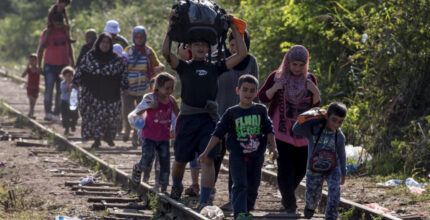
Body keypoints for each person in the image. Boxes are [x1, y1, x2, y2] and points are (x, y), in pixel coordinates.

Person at [162, 9, 248, 208]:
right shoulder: (184, 66)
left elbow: (242, 54)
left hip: (208, 121)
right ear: (190, 47)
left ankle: (204, 200)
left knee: (208, 159)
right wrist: (170, 28)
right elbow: (166, 53)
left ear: (209, 48)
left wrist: (234, 27)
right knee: (181, 160)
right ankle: (176, 187)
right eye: (196, 44)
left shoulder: (216, 67)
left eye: (204, 44)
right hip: (188, 119)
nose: (200, 47)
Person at [198, 74, 278, 220]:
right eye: (245, 90)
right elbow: (218, 133)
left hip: (257, 156)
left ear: (256, 92)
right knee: (240, 184)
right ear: (238, 90)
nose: (248, 93)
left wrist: (273, 147)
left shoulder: (260, 110)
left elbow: (269, 130)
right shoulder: (232, 112)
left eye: (251, 90)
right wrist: (205, 152)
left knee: (253, 186)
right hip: (237, 155)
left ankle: (246, 210)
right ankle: (239, 213)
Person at [257, 45, 321, 214]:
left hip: (303, 133)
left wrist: (316, 92)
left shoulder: (310, 79)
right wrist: (275, 88)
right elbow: (262, 97)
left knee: (300, 168)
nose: (298, 69)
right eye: (294, 64)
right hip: (281, 131)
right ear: (287, 63)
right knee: (285, 168)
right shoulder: (277, 77)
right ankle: (290, 205)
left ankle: (286, 196)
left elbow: (316, 105)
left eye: (301, 65)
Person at [213, 30, 259, 196]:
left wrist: (258, 113)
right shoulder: (221, 59)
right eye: (232, 44)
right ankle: (209, 188)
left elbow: (256, 89)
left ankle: (234, 194)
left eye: (239, 44)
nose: (234, 48)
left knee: (237, 156)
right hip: (220, 113)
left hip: (242, 117)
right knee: (217, 153)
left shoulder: (251, 61)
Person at [73, 32, 128, 148]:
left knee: (111, 117)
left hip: (111, 93)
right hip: (92, 92)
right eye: (102, 42)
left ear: (111, 45)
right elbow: (80, 69)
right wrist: (76, 81)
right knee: (94, 116)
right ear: (98, 43)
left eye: (108, 42)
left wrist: (124, 86)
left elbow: (124, 73)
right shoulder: (89, 56)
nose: (105, 45)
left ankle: (108, 137)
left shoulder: (116, 59)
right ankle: (96, 139)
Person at [292, 102, 347, 219]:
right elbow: (296, 128)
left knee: (334, 191)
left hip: (333, 168)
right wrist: (311, 114)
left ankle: (331, 216)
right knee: (313, 195)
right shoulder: (314, 130)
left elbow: (342, 155)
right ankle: (310, 207)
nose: (337, 124)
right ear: (327, 116)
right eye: (334, 120)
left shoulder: (340, 136)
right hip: (314, 168)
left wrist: (343, 172)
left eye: (340, 122)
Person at [131, 72, 179, 193]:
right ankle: (138, 168)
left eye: (172, 88)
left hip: (164, 137)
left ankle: (162, 188)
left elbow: (175, 115)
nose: (170, 91)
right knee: (147, 159)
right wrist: (150, 107)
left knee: (164, 162)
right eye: (167, 88)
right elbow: (137, 113)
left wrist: (174, 129)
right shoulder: (150, 98)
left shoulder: (171, 100)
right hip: (149, 136)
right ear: (158, 87)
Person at [123, 26, 165, 147]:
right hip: (129, 86)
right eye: (137, 37)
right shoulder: (128, 50)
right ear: (133, 37)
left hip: (144, 86)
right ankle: (127, 129)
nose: (139, 39)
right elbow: (121, 62)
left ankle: (136, 136)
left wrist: (160, 67)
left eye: (141, 37)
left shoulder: (148, 51)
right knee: (127, 110)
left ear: (145, 37)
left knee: (141, 113)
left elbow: (158, 64)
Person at [37, 12, 75, 121]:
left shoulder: (66, 32)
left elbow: (70, 48)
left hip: (63, 65)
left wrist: (73, 62)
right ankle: (48, 112)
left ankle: (57, 113)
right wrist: (39, 65)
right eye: (56, 24)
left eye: (60, 23)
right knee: (48, 89)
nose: (58, 26)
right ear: (53, 22)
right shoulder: (47, 33)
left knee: (61, 91)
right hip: (49, 65)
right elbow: (40, 50)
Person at [21, 53, 42, 119]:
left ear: (37, 61)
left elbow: (42, 73)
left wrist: (39, 69)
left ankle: (31, 112)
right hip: (29, 87)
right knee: (31, 100)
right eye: (31, 60)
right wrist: (27, 68)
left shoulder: (38, 69)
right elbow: (22, 75)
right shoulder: (29, 69)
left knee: (34, 101)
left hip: (36, 88)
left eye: (33, 60)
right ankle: (31, 112)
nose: (32, 62)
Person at [60, 66, 79, 135]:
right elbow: (63, 90)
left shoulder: (75, 84)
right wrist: (68, 87)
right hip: (64, 102)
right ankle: (66, 128)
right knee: (65, 116)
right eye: (67, 76)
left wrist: (73, 88)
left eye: (70, 76)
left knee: (75, 115)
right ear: (64, 76)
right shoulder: (63, 83)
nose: (68, 78)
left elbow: (78, 91)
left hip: (73, 102)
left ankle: (73, 125)